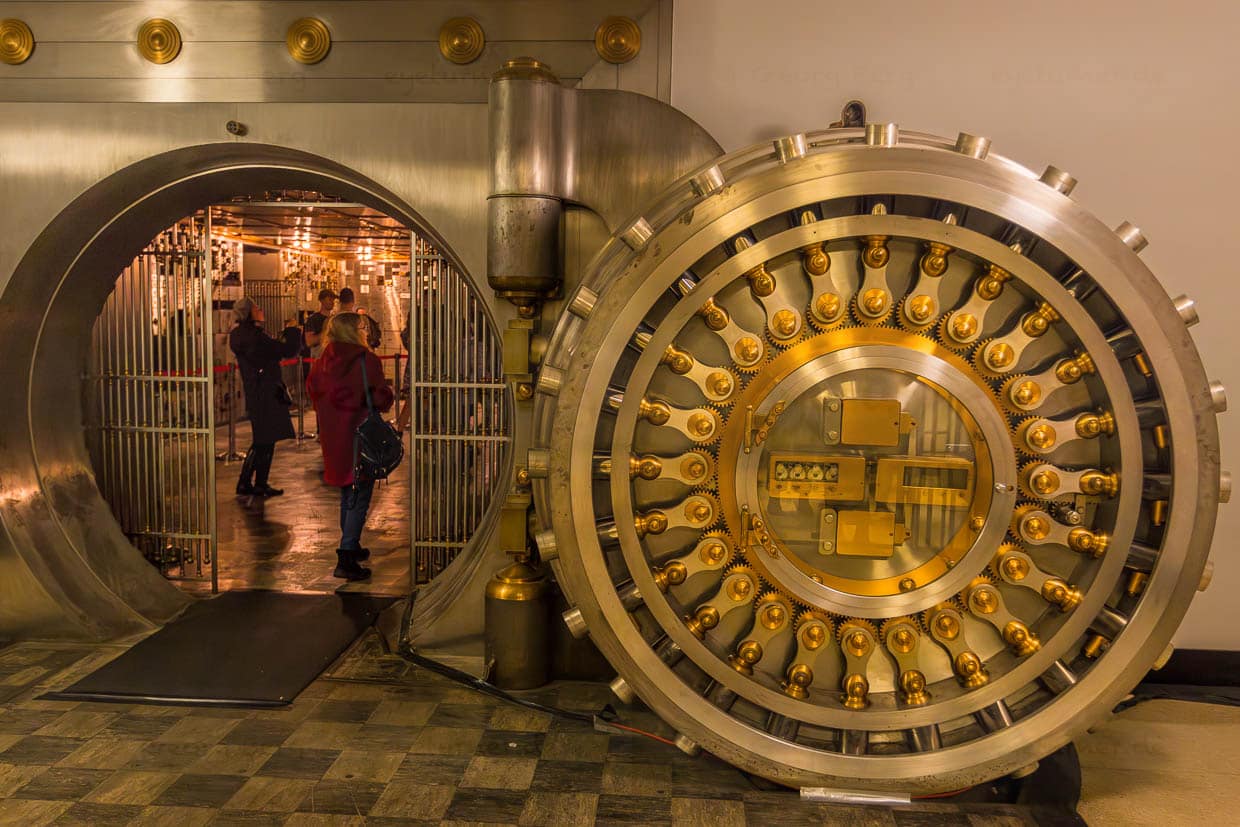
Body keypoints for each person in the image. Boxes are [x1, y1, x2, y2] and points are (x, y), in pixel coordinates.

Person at [307, 312, 395, 580]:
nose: (365, 331)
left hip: (333, 437)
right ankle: (345, 556)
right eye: (362, 327)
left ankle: (351, 543)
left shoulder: (321, 363)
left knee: (348, 492)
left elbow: (313, 394)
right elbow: (380, 398)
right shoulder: (365, 359)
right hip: (360, 436)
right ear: (353, 331)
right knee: (359, 495)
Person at [230, 297, 301, 497]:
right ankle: (253, 483)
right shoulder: (256, 337)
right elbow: (287, 350)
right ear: (249, 313)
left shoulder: (240, 336)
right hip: (266, 392)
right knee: (264, 439)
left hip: (256, 391)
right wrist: (293, 331)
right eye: (256, 307)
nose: (261, 310)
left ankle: (254, 483)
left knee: (264, 439)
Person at [302, 288, 336, 361]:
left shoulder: (335, 319)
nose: (332, 302)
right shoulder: (313, 319)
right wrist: (327, 331)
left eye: (333, 300)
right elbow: (309, 342)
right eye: (329, 299)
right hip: (319, 358)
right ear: (322, 301)